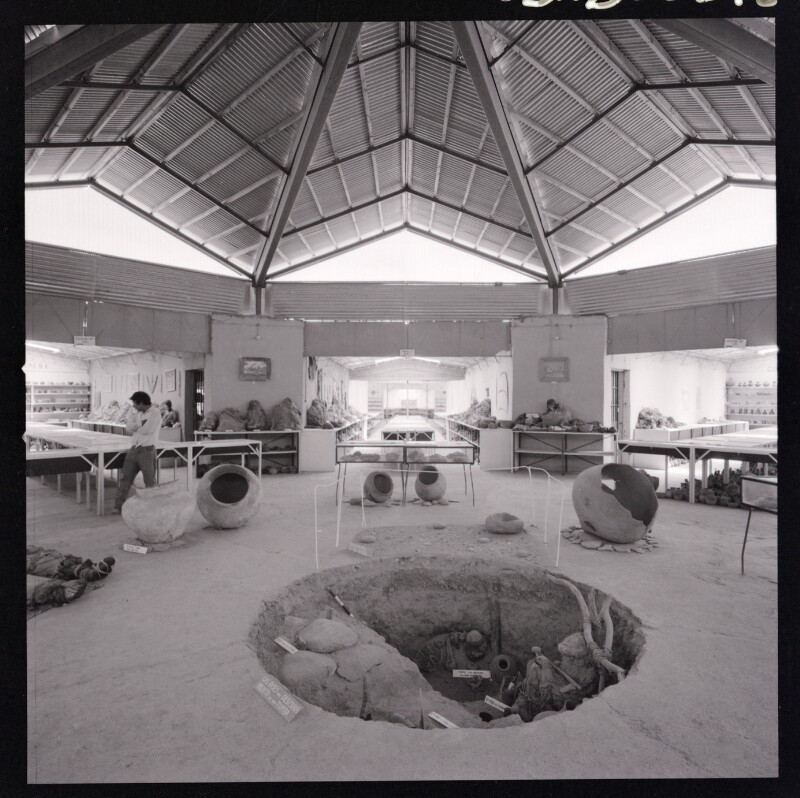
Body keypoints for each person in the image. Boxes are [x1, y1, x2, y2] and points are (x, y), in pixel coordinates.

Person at [112, 391, 161, 514]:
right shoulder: (137, 414)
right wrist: (140, 425)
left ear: (141, 402)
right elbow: (128, 428)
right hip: (134, 449)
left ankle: (153, 508)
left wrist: (137, 426)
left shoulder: (155, 412)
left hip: (147, 450)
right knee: (125, 479)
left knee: (149, 481)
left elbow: (148, 430)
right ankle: (118, 506)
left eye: (135, 403)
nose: (133, 406)